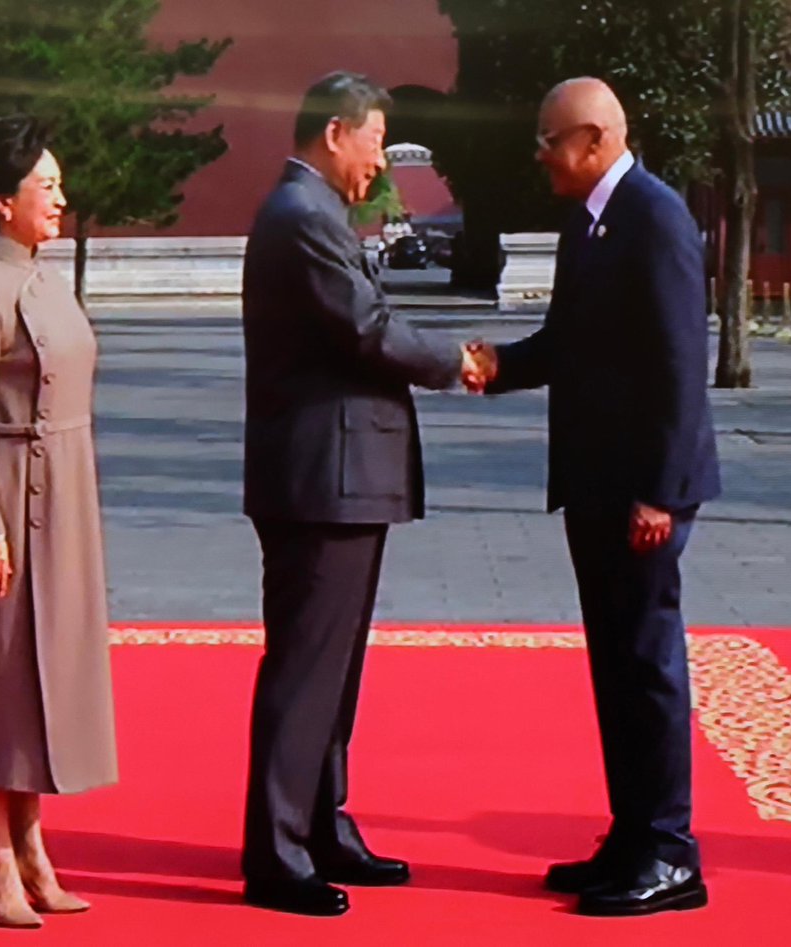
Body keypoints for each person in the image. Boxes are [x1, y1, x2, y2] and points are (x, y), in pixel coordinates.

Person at [463, 78, 720, 917]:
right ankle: (633, 832)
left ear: (595, 139)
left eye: (549, 139)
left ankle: (671, 851)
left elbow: (681, 365)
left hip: (640, 494)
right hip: (596, 484)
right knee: (614, 665)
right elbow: (570, 343)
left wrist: (661, 491)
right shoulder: (590, 223)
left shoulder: (655, 216)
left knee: (646, 665)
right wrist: (494, 366)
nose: (539, 154)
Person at [240, 71, 479, 917]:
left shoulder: (314, 214)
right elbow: (366, 329)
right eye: (376, 139)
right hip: (320, 476)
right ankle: (276, 849)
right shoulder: (303, 217)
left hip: (337, 474)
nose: (380, 158)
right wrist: (461, 361)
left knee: (333, 664)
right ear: (336, 132)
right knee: (307, 666)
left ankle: (319, 821)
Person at [0, 114, 117, 928]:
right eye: (44, 185)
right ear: (1, 201)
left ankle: (35, 842)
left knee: (57, 673)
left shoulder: (49, 277)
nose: (61, 197)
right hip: (10, 494)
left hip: (68, 490)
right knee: (5, 675)